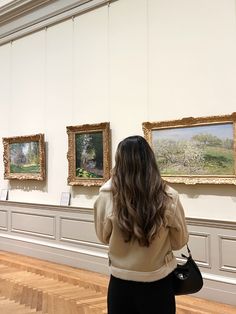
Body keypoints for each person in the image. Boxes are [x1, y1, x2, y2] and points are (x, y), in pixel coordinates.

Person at [94, 135, 189, 314]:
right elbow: (179, 241)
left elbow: (103, 236)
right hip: (158, 282)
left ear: (119, 161)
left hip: (120, 282)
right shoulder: (169, 196)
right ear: (150, 160)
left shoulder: (107, 194)